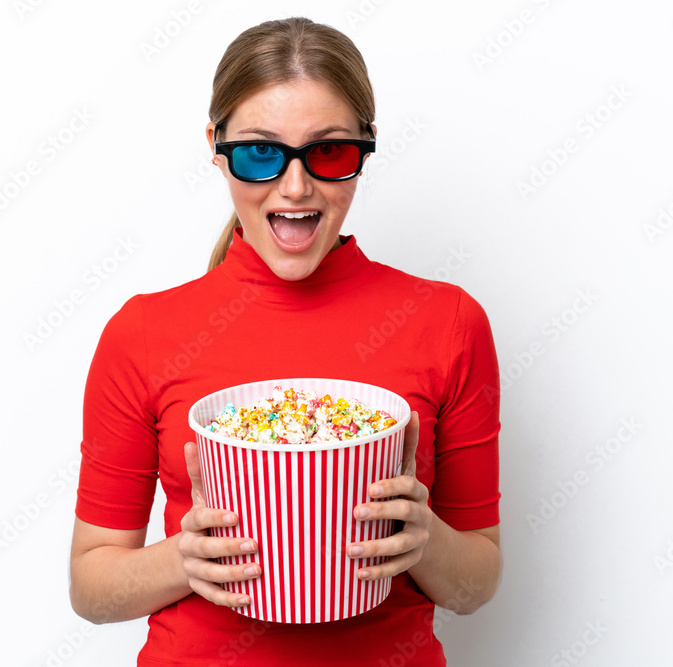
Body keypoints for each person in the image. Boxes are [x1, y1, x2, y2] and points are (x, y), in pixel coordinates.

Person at [69, 16, 503, 666]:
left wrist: (427, 542)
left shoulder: (449, 321)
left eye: (327, 152)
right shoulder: (143, 334)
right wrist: (182, 560)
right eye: (261, 152)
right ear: (217, 147)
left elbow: (477, 583)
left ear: (366, 147)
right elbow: (91, 588)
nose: (295, 187)